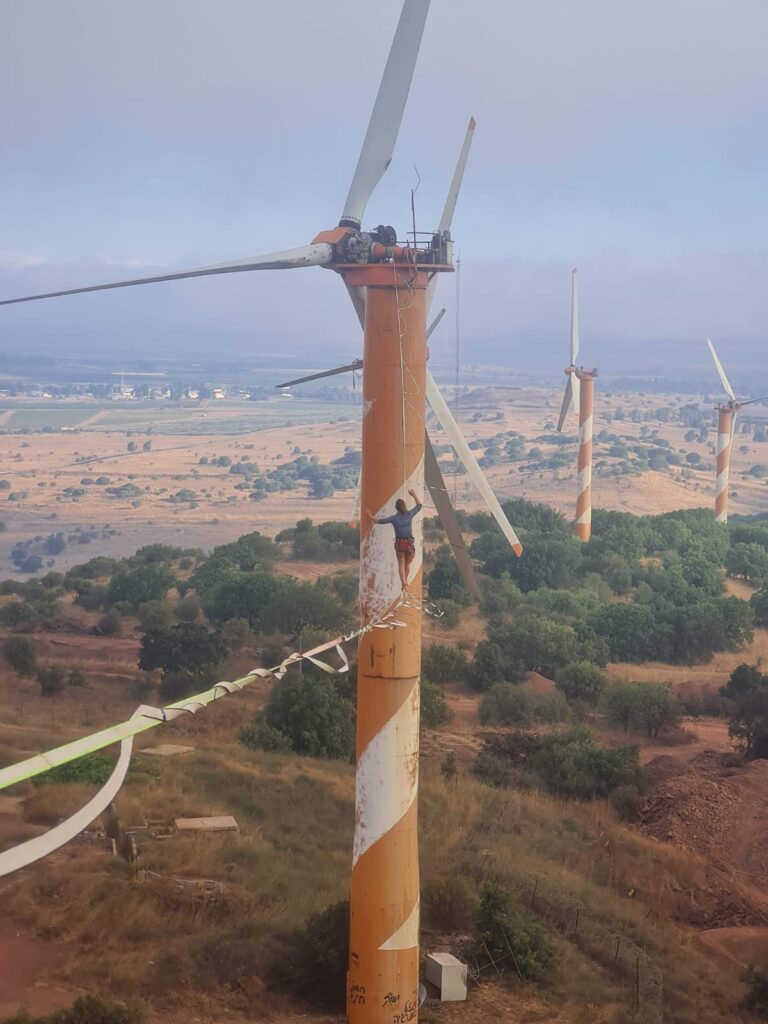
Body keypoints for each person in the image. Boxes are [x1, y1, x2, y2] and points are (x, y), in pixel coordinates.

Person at [370, 489, 423, 589]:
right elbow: (419, 506)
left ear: (396, 508)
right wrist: (414, 494)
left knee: (401, 563)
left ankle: (403, 581)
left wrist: (369, 515)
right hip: (409, 543)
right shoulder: (409, 514)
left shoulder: (394, 518)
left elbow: (380, 521)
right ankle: (405, 582)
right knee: (407, 564)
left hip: (399, 543)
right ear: (404, 506)